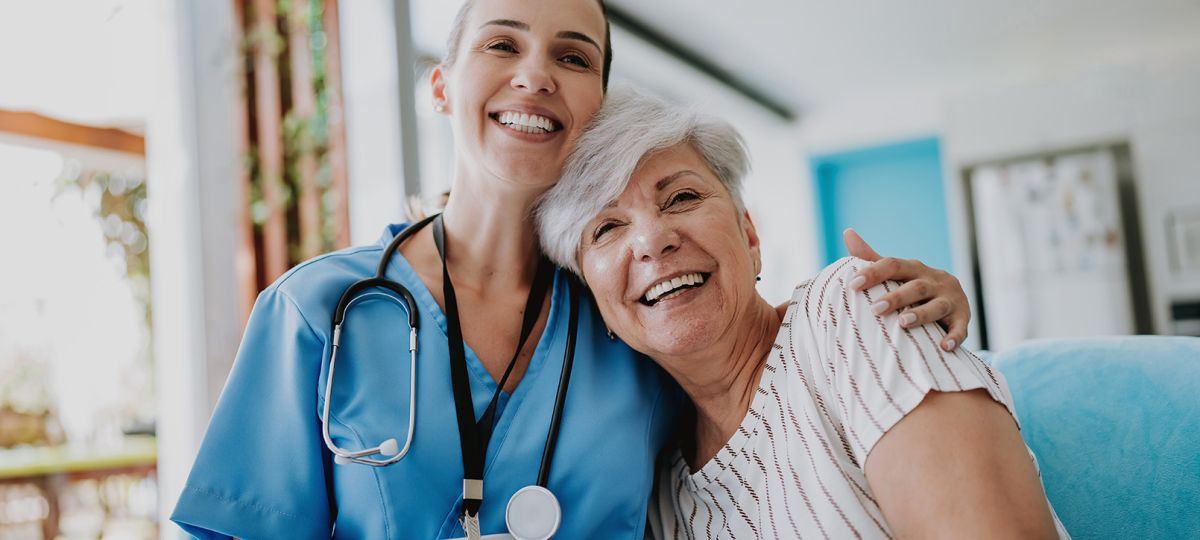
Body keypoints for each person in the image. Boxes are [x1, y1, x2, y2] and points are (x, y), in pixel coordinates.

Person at [170, 1, 974, 538]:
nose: (535, 74)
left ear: (595, 102)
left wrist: (889, 311)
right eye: (502, 43)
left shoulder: (628, 316)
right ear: (443, 86)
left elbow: (760, 378)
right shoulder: (320, 311)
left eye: (572, 55)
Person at [536, 88, 1070, 539]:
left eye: (680, 197)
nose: (653, 240)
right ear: (594, 298)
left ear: (749, 236)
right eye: (607, 228)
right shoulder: (656, 492)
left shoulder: (851, 311)